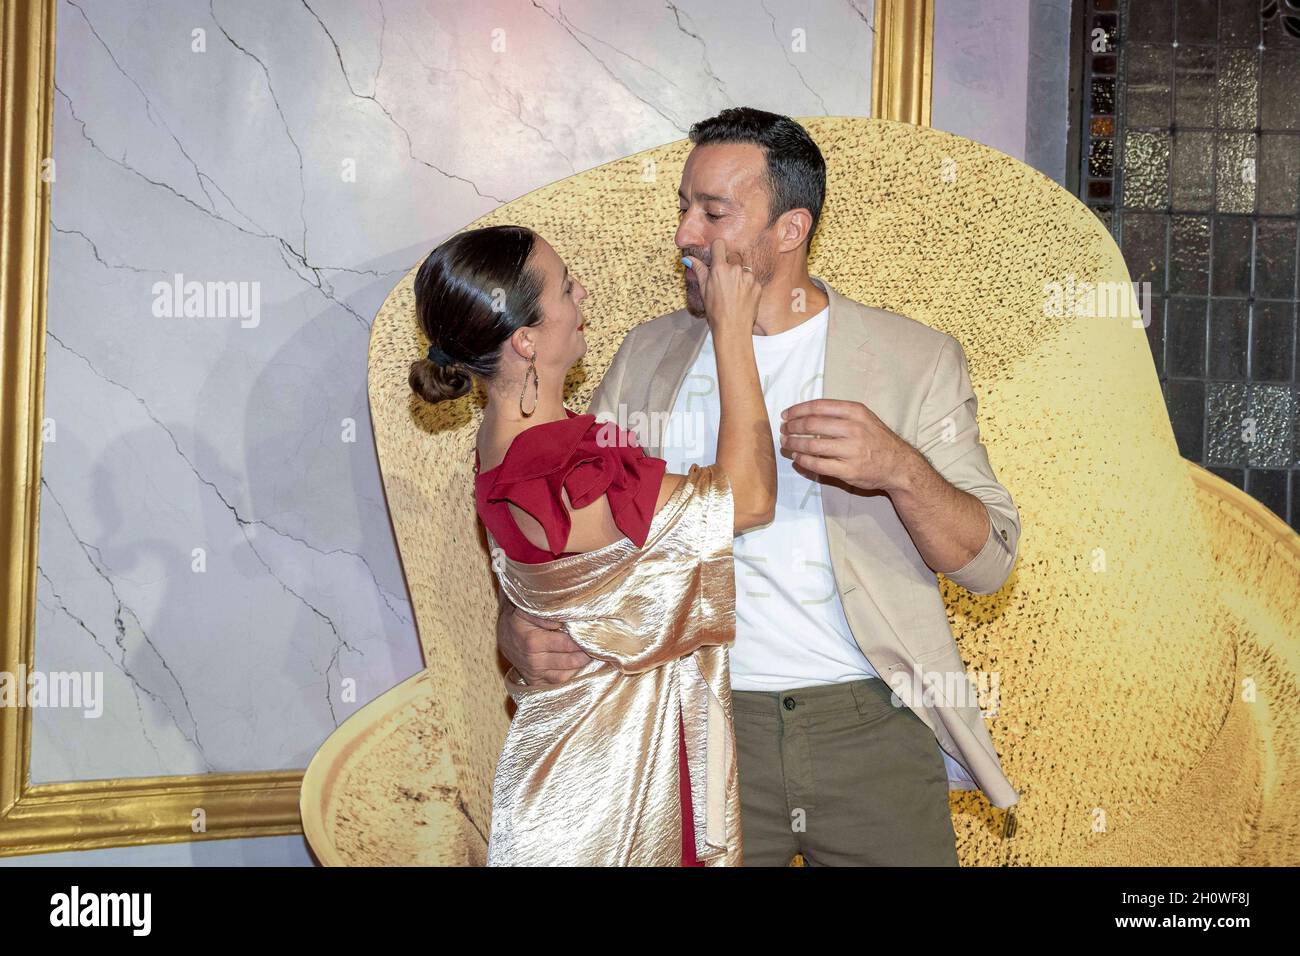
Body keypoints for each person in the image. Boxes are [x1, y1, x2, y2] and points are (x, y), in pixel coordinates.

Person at [496, 107, 1023, 866]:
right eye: (684, 206)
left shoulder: (913, 358)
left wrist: (901, 470)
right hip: (689, 726)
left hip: (871, 727)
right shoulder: (647, 356)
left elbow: (989, 562)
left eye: (713, 213)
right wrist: (515, 624)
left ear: (790, 229)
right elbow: (565, 528)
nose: (685, 233)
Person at [408, 224, 776, 865]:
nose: (583, 292)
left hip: (595, 768)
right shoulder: (559, 468)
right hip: (607, 797)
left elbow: (557, 580)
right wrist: (732, 332)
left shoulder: (511, 444)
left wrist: (512, 621)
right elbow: (748, 498)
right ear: (525, 339)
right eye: (565, 286)